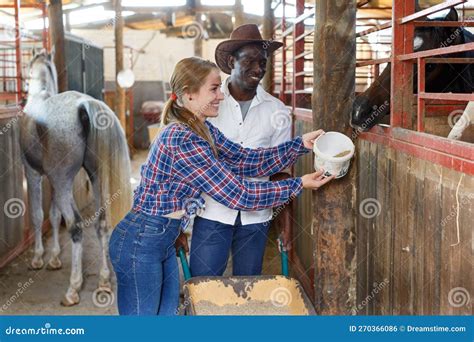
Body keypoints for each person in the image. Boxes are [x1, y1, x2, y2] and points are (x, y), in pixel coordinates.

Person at [108, 57, 334, 316]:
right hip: (141, 240)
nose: (221, 96)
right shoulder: (181, 138)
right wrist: (299, 184)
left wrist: (299, 145)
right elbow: (239, 194)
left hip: (163, 237)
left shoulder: (202, 130)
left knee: (167, 318)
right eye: (214, 89)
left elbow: (245, 160)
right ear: (189, 95)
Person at [185, 24, 295, 277]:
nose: (258, 69)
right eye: (250, 61)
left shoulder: (276, 111)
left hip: (256, 218)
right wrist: (177, 225)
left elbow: (280, 172)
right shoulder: (209, 104)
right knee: (204, 289)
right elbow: (186, 169)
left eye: (262, 62)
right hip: (211, 213)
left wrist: (286, 225)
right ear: (232, 61)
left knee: (247, 290)